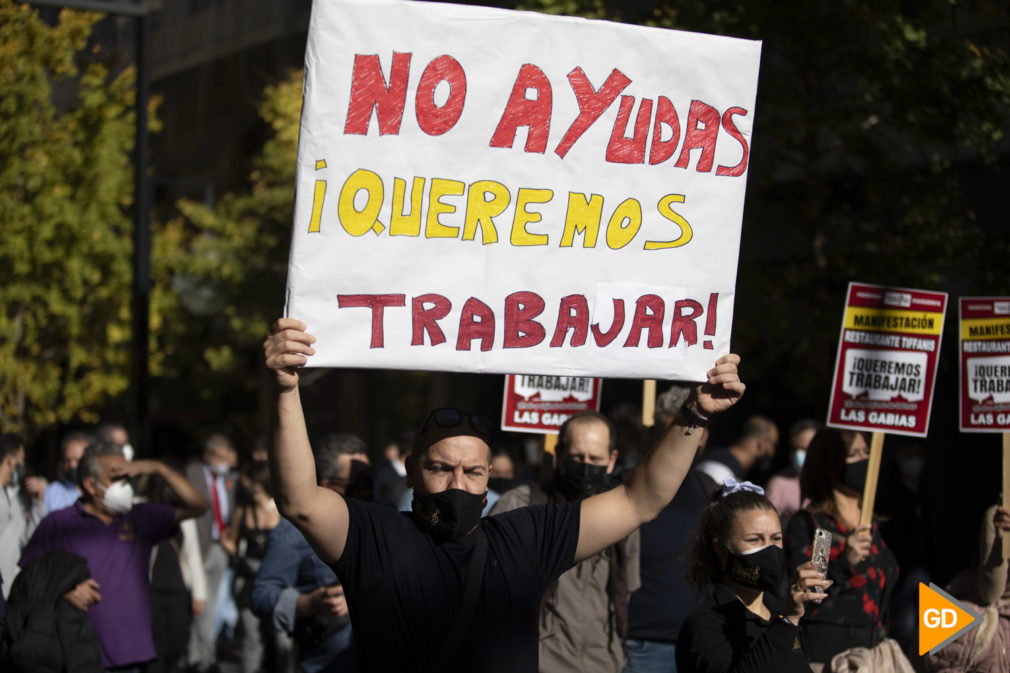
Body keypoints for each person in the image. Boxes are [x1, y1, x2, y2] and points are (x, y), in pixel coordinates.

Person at [263, 317, 744, 672]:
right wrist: (287, 389)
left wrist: (695, 415)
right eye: (439, 468)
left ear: (490, 475)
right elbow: (300, 499)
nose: (458, 484)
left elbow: (641, 501)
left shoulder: (526, 538)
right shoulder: (373, 535)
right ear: (410, 471)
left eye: (473, 472)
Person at [19, 441, 209, 671]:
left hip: (134, 654)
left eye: (128, 479)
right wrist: (64, 590)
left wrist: (159, 468)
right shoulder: (59, 523)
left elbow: (198, 506)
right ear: (91, 485)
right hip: (79, 652)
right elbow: (28, 579)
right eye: (117, 479)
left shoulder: (139, 516)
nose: (126, 486)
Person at [491, 411, 637, 673]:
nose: (585, 465)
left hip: (604, 664)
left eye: (595, 459)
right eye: (577, 458)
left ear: (612, 460)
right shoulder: (519, 505)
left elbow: (625, 590)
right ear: (559, 454)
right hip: (539, 662)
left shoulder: (622, 516)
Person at [675, 480, 828, 673]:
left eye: (776, 539)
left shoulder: (776, 609)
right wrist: (786, 620)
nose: (769, 550)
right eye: (754, 540)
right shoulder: (705, 626)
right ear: (720, 548)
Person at [785, 428, 904, 670]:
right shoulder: (819, 524)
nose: (864, 461)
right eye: (854, 454)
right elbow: (812, 590)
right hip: (829, 658)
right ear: (830, 463)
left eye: (866, 452)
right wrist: (844, 563)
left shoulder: (873, 522)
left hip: (874, 655)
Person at [250, 435, 365, 673]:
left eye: (369, 481)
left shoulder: (386, 518)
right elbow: (262, 594)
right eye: (356, 482)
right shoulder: (294, 532)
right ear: (327, 484)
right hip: (326, 662)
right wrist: (308, 603)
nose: (366, 490)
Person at [624, 383, 710, 673]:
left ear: (704, 438)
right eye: (670, 432)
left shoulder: (715, 497)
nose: (680, 445)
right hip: (638, 646)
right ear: (653, 435)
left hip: (699, 646)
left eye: (690, 432)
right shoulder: (624, 491)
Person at [185, 433, 238, 672]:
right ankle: (200, 658)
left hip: (221, 547)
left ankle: (203, 655)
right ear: (207, 456)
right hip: (198, 546)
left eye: (226, 457)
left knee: (213, 606)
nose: (223, 461)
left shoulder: (229, 479)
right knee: (199, 604)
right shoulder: (193, 474)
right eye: (219, 457)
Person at [223, 460, 282, 673]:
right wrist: (229, 546)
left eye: (252, 482)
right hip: (249, 578)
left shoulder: (283, 509)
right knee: (251, 639)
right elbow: (232, 540)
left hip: (278, 579)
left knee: (282, 640)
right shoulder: (243, 510)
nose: (247, 486)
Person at [0, 433, 45, 600]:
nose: (22, 465)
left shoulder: (16, 498)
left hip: (10, 588)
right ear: (11, 460)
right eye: (21, 459)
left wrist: (39, 503)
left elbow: (28, 538)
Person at [695, 416, 778, 494]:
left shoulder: (719, 458)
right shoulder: (719, 471)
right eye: (773, 445)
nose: (773, 452)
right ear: (761, 443)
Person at [765, 419, 820, 526]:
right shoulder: (779, 483)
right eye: (795, 449)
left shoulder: (835, 481)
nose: (799, 454)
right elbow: (767, 524)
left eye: (806, 449)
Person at [45, 430, 93, 513]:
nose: (72, 465)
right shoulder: (52, 492)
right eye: (67, 460)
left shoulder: (98, 491)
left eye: (77, 460)